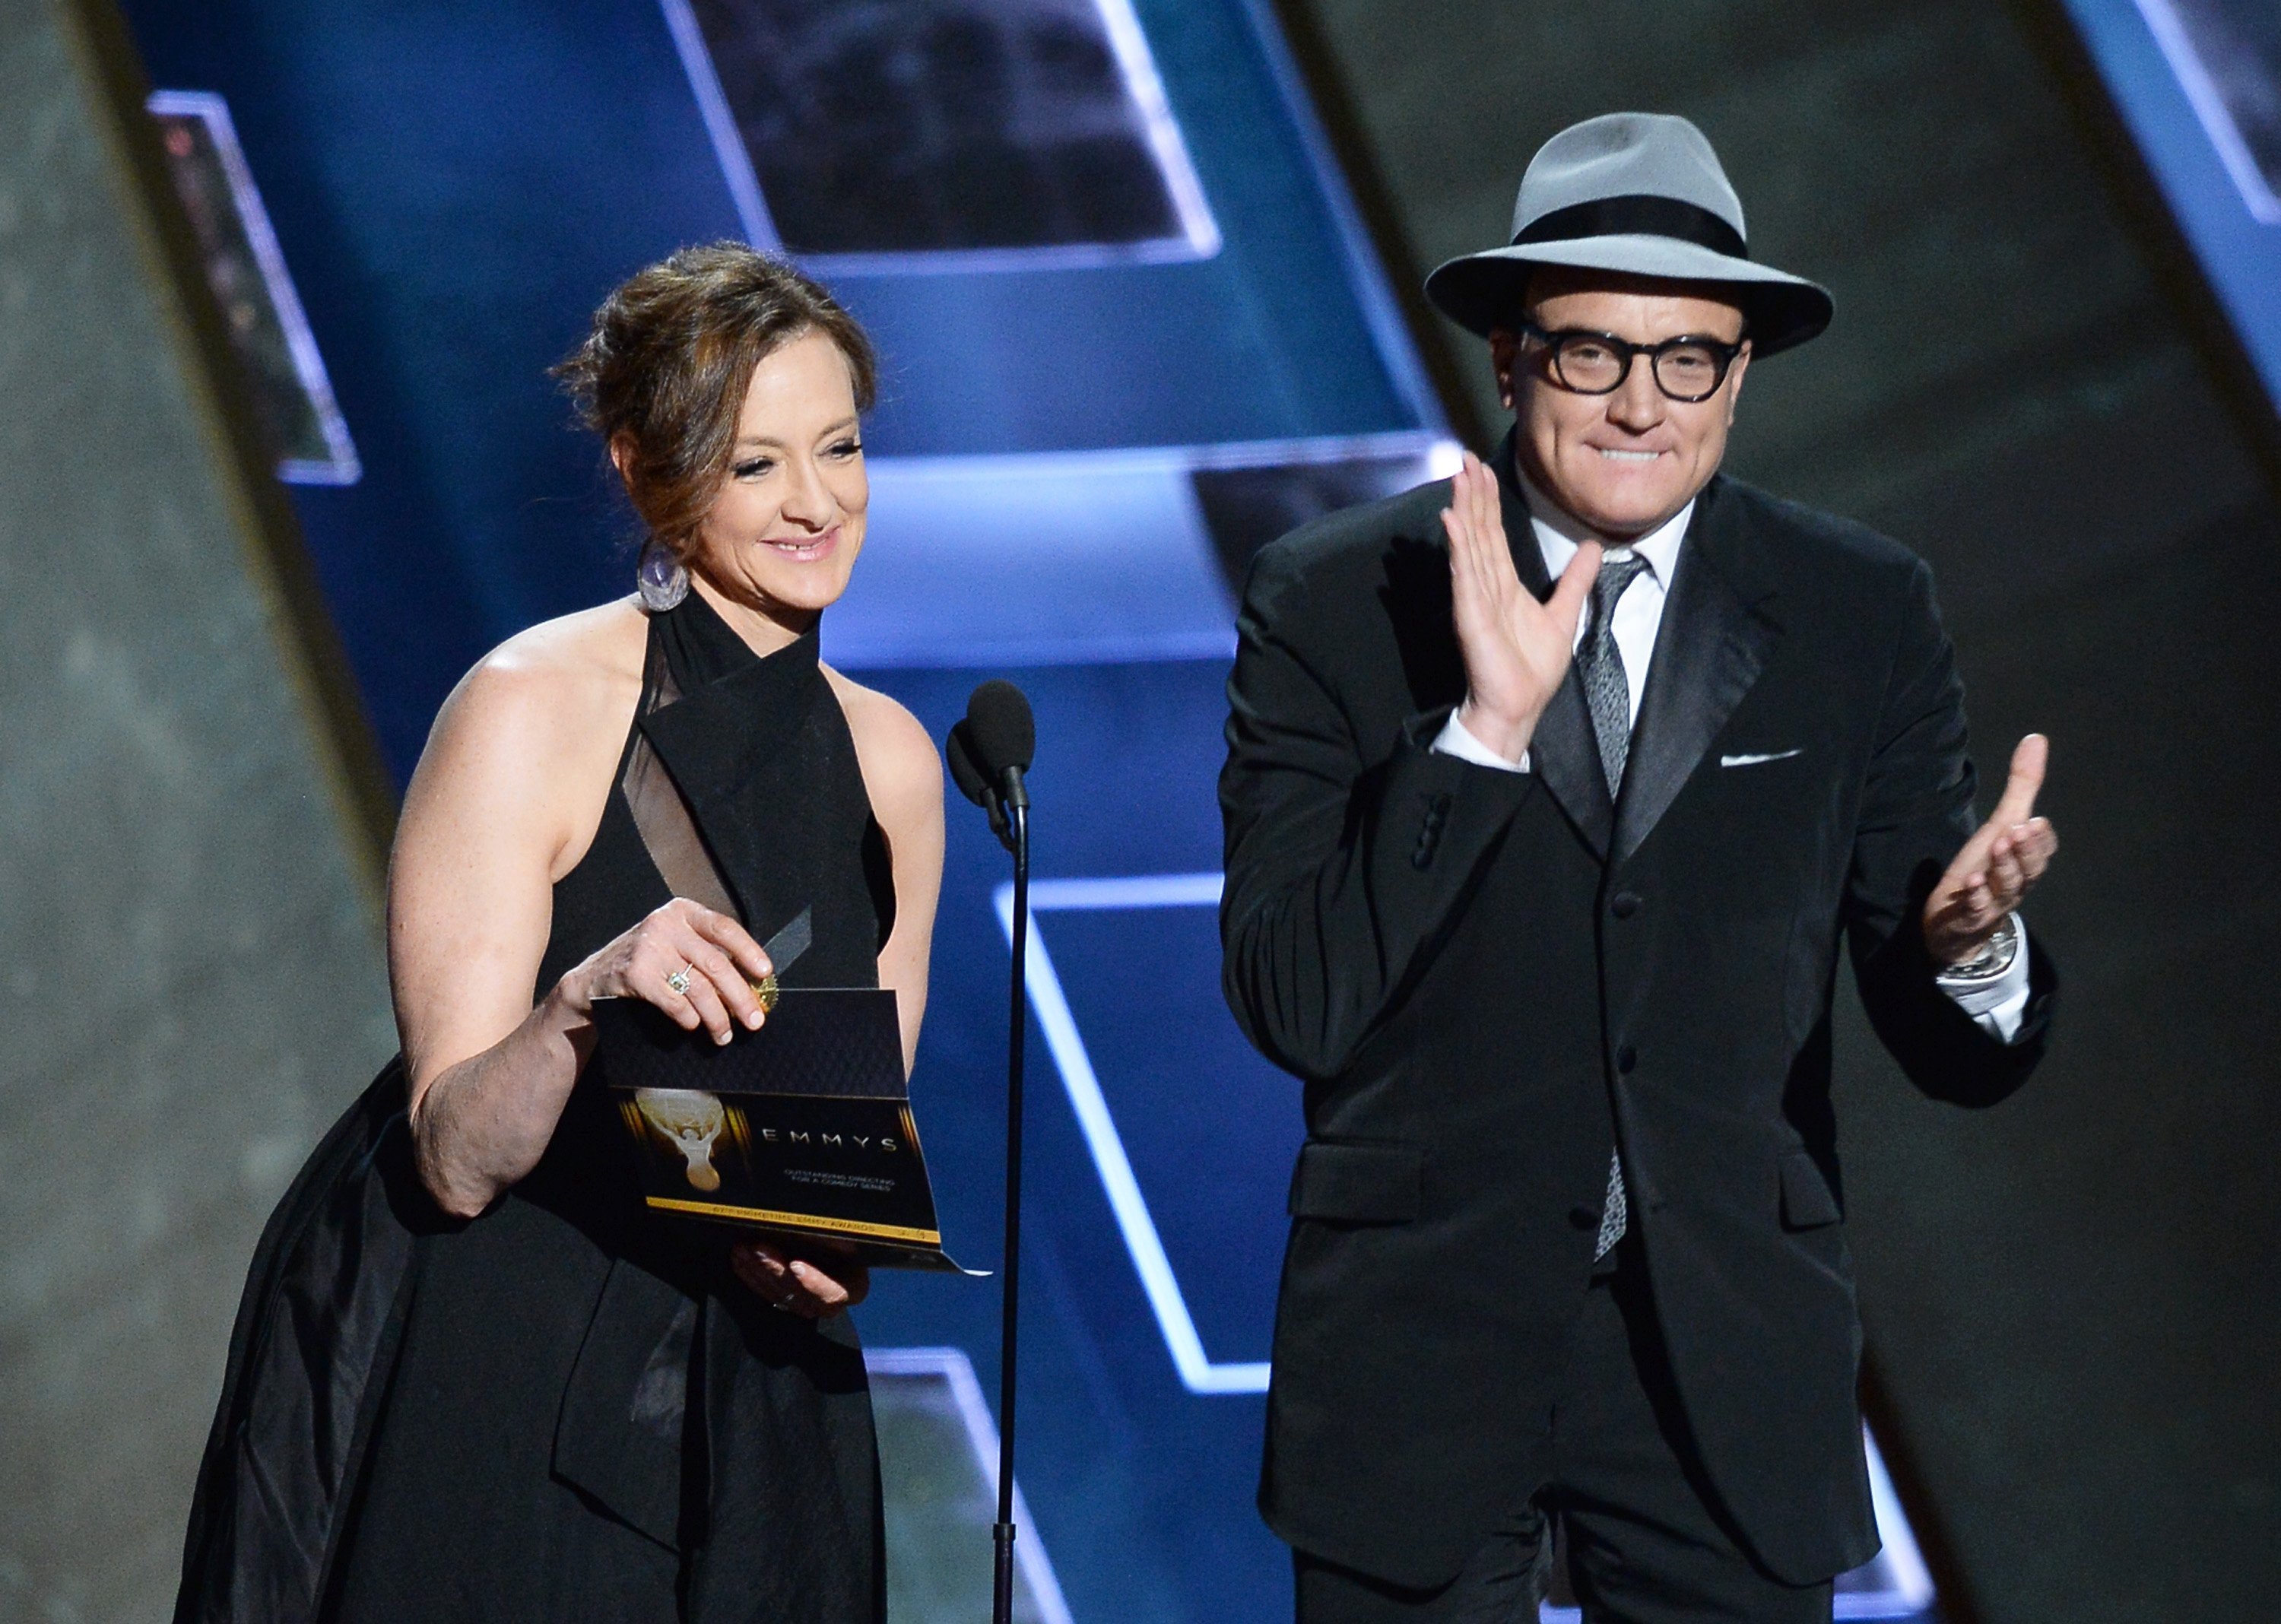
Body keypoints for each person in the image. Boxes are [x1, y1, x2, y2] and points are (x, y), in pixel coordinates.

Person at [1219, 114, 2060, 1622]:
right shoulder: (1338, 596)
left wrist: (1964, 952)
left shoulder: (1856, 610)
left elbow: (1953, 1049)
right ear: (1509, 355)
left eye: (1688, 359)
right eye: (1591, 352)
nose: (1638, 402)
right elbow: (1296, 999)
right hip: (1416, 1356)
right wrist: (1481, 736)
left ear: (1739, 375)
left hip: (1725, 1364)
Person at [175, 243, 943, 1623]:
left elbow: (852, 1139)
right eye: (755, 463)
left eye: (838, 447)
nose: (816, 501)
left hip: (757, 1408)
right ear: (644, 471)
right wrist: (581, 1003)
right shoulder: (528, 704)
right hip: (508, 1367)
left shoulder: (893, 764)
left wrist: (824, 1243)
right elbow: (454, 1155)